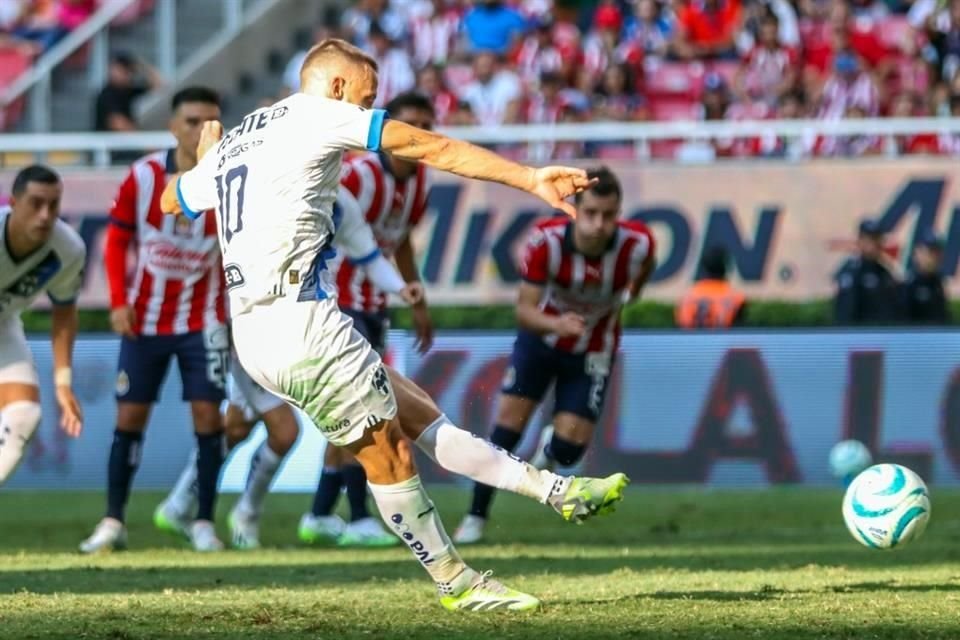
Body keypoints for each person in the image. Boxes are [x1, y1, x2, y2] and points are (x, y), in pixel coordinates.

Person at [163, 38, 628, 612]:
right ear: (335, 88)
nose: (368, 109)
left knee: (422, 418)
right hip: (296, 322)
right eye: (367, 97)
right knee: (390, 457)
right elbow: (425, 144)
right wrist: (529, 178)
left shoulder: (246, 133)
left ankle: (557, 491)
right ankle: (455, 580)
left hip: (259, 330)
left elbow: (171, 199)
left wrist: (206, 161)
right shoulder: (319, 116)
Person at [160, 188, 422, 550]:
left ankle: (181, 503)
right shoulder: (275, 189)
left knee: (238, 426)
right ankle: (242, 512)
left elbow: (369, 255)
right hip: (247, 327)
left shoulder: (340, 202)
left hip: (293, 329)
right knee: (283, 431)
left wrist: (401, 288)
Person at [454, 167, 656, 545]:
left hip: (594, 348)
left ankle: (550, 448)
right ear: (576, 209)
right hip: (541, 343)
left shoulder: (638, 243)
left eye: (609, 216)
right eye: (591, 213)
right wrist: (556, 324)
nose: (599, 225)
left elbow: (645, 267)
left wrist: (632, 292)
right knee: (505, 434)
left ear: (619, 214)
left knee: (569, 450)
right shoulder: (546, 241)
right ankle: (475, 516)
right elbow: (524, 310)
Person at [80, 87, 229, 554]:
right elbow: (116, 240)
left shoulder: (230, 179)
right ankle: (112, 521)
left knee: (208, 418)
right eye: (190, 120)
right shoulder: (143, 176)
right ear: (172, 125)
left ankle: (203, 521)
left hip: (205, 320)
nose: (200, 130)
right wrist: (118, 300)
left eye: (210, 121)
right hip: (144, 320)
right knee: (129, 418)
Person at [299, 91, 436, 548]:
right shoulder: (358, 177)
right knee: (364, 406)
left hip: (376, 303)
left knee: (357, 407)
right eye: (408, 124)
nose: (415, 135)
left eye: (424, 125)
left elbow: (400, 244)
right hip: (342, 303)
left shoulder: (418, 183)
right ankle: (356, 516)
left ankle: (321, 512)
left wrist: (415, 299)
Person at [0, 165, 85, 485]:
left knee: (24, 414)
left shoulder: (68, 250)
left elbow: (64, 313)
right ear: (14, 203)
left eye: (54, 204)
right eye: (36, 203)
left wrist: (63, 384)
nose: (46, 214)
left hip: (2, 322)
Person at [833, 219, 901, 326]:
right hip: (860, 338)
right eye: (869, 239)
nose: (874, 244)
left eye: (877, 239)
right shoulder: (852, 274)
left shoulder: (885, 273)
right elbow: (845, 315)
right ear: (860, 241)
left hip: (884, 337)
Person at [675, 247, 747, 329]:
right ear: (726, 267)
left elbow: (679, 328)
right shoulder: (736, 297)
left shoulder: (687, 297)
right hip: (721, 340)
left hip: (690, 341)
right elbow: (739, 333)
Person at [903, 232, 950, 325]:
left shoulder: (937, 282)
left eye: (937, 252)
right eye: (930, 252)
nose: (935, 257)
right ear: (917, 254)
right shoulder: (909, 285)